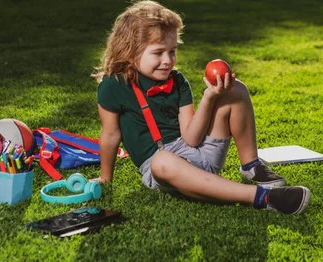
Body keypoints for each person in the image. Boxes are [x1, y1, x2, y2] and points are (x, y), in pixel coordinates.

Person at [91, 0, 310, 214]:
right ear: (130, 52)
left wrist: (209, 98)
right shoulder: (114, 85)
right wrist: (105, 178)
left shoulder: (177, 81)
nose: (168, 60)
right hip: (163, 168)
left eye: (172, 51)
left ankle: (251, 167)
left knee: (236, 90)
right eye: (158, 53)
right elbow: (110, 134)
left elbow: (192, 138)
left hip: (198, 153)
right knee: (161, 161)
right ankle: (262, 197)